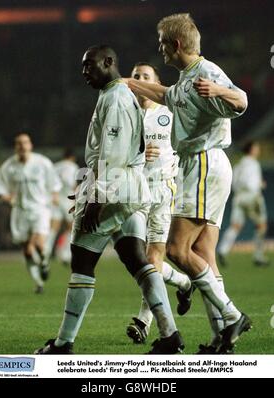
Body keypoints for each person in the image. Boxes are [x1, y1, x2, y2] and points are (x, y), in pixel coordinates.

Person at [35, 45, 184, 355]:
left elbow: (113, 158)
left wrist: (95, 201)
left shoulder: (115, 98)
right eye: (83, 66)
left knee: (82, 260)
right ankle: (169, 334)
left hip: (116, 191)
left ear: (109, 62)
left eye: (89, 65)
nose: (84, 72)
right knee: (137, 260)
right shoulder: (116, 95)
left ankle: (63, 343)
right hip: (130, 191)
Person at [125, 13, 251, 354]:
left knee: (177, 250)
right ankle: (221, 338)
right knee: (204, 255)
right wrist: (128, 82)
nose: (160, 50)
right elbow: (168, 95)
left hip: (204, 162)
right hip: (206, 165)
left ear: (176, 44)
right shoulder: (186, 78)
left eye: (162, 43)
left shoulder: (206, 72)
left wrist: (221, 90)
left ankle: (233, 315)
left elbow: (241, 100)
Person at [126, 62, 191, 344]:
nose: (140, 80)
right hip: (135, 193)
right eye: (136, 76)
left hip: (164, 191)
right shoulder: (125, 115)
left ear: (156, 82)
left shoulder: (169, 112)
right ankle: (183, 282)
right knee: (140, 261)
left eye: (146, 77)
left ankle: (144, 321)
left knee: (152, 259)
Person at [0, 133, 61, 294]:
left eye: (25, 142)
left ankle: (44, 262)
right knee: (27, 251)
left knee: (40, 244)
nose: (22, 146)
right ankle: (39, 282)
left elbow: (54, 183)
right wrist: (4, 196)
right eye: (18, 143)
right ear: (15, 147)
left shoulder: (42, 163)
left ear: (30, 145)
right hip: (20, 211)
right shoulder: (9, 166)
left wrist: (55, 195)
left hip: (40, 208)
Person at [218, 141, 269, 266]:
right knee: (261, 226)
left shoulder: (238, 164)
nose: (258, 150)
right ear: (251, 150)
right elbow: (251, 183)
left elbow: (234, 182)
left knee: (235, 226)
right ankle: (258, 256)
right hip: (252, 197)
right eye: (256, 148)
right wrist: (260, 184)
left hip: (239, 198)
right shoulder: (253, 163)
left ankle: (222, 250)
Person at [45, 148, 79, 265]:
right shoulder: (72, 166)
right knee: (72, 227)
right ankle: (65, 255)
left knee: (53, 228)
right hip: (66, 199)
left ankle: (45, 252)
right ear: (72, 157)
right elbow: (68, 180)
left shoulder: (55, 166)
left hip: (55, 199)